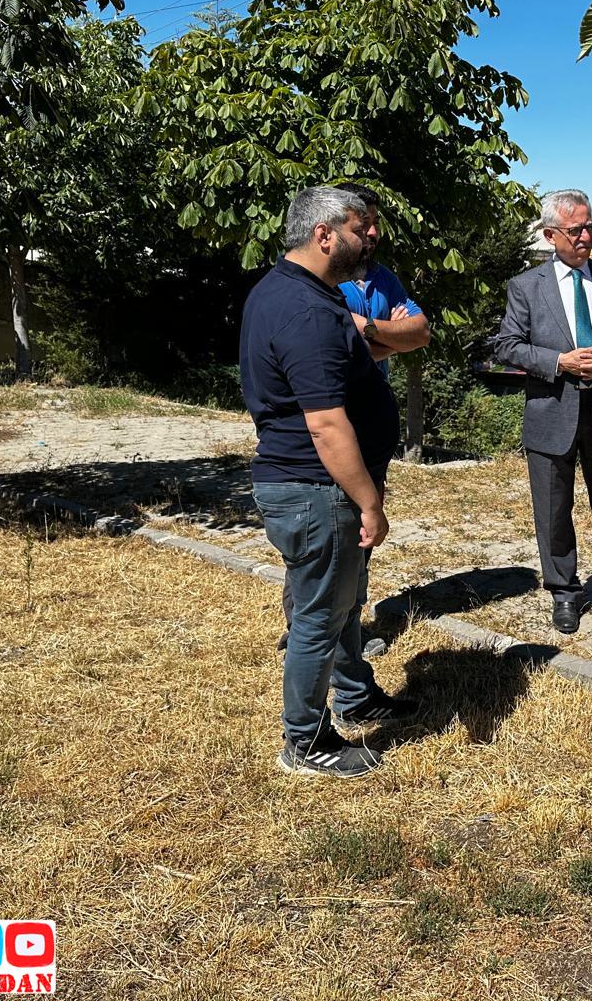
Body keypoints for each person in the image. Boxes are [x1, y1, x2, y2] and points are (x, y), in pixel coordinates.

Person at [239, 185, 415, 780]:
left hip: (313, 487)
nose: (373, 238)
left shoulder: (295, 291)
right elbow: (325, 423)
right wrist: (369, 502)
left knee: (340, 605)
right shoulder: (307, 310)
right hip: (316, 489)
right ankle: (306, 741)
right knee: (318, 618)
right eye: (362, 229)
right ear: (324, 234)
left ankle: (355, 696)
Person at [492, 188, 592, 634]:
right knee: (553, 509)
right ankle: (564, 591)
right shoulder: (526, 286)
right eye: (575, 229)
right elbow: (507, 345)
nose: (585, 237)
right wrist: (560, 362)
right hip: (550, 411)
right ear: (550, 235)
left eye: (589, 227)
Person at [336, 183, 431, 375]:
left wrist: (366, 326)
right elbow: (339, 353)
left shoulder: (384, 277)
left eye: (376, 222)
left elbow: (422, 333)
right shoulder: (323, 278)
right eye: (364, 223)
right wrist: (396, 340)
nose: (373, 232)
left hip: (380, 394)